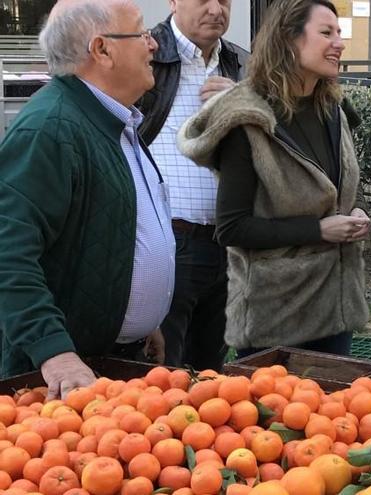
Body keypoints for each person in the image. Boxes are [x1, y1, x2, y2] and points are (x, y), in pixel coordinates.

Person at [0, 0, 174, 397]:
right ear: (102, 49)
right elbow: (8, 253)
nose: (154, 46)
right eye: (143, 33)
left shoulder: (114, 119)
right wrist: (55, 353)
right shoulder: (50, 130)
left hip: (112, 359)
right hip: (64, 379)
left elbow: (121, 228)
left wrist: (145, 317)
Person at [176, 0, 370, 357]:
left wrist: (354, 213)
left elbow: (336, 191)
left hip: (335, 308)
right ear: (288, 39)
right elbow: (232, 229)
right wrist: (319, 230)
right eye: (326, 32)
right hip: (274, 317)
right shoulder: (247, 119)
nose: (339, 42)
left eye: (339, 33)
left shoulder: (333, 111)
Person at [138, 0, 248, 371]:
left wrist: (241, 102)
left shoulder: (239, 62)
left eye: (225, 0)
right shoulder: (146, 53)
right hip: (169, 241)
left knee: (212, 377)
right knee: (164, 374)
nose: (216, 9)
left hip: (228, 242)